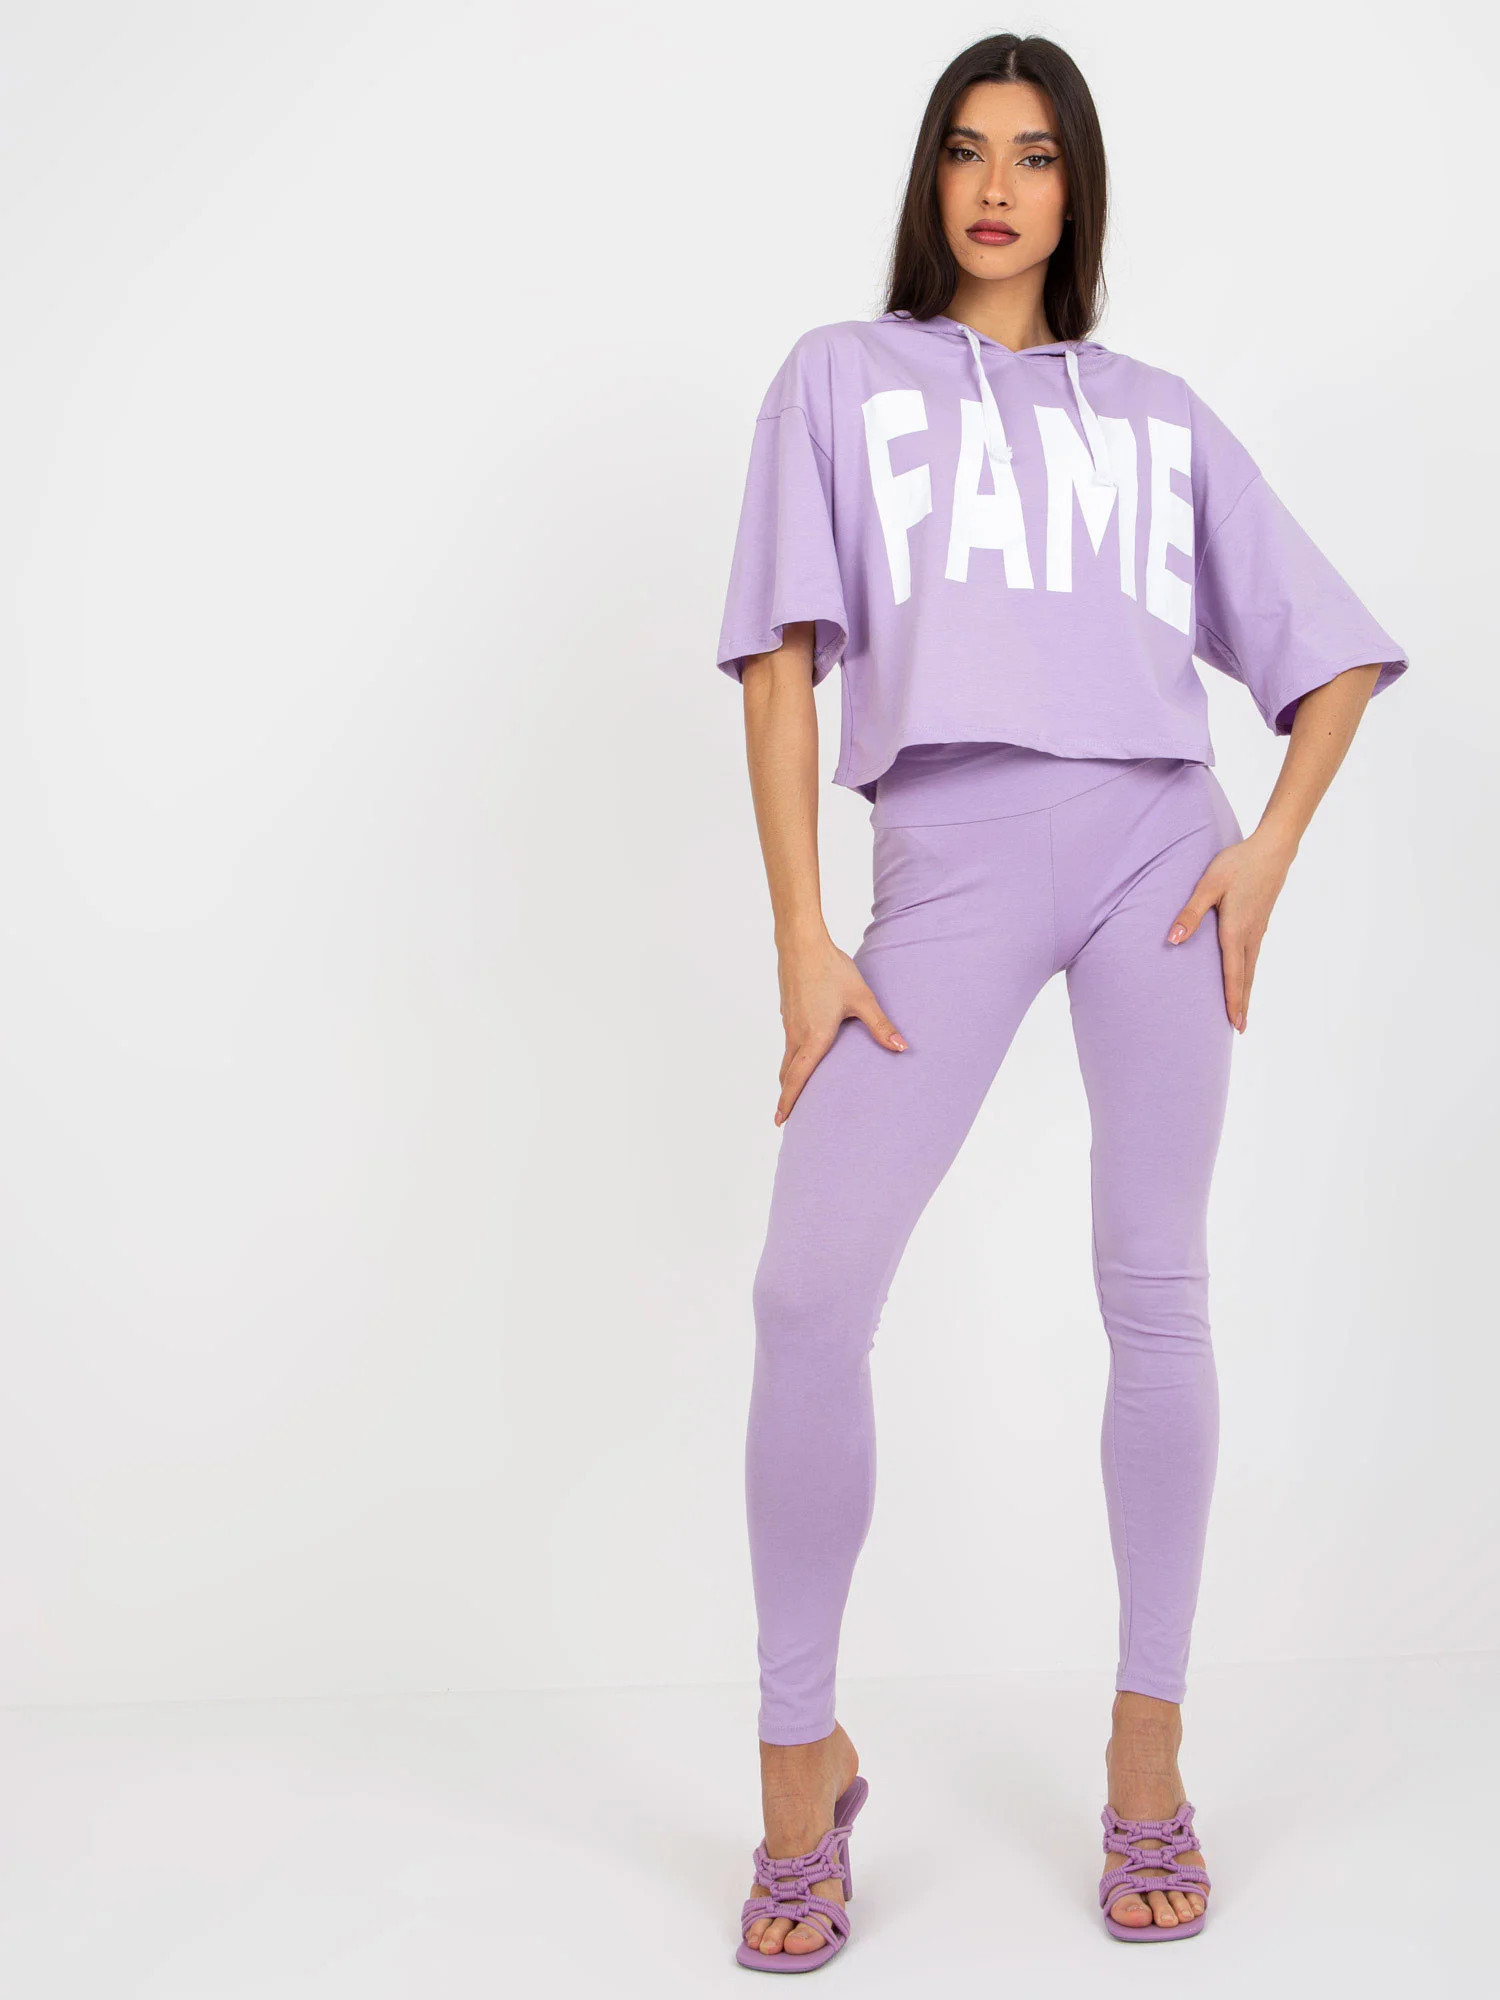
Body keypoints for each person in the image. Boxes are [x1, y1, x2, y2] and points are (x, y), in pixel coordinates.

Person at [714, 31, 1409, 1969]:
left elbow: (1331, 659)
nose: (999, 187)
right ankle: (795, 1762)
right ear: (930, 181)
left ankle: (1147, 1752)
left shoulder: (1157, 415)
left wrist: (1264, 851)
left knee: (1154, 1286)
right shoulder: (838, 380)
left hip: (1153, 852)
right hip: (940, 862)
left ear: (1075, 188)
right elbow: (777, 668)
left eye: (1034, 155)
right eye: (967, 151)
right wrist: (802, 936)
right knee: (807, 1295)